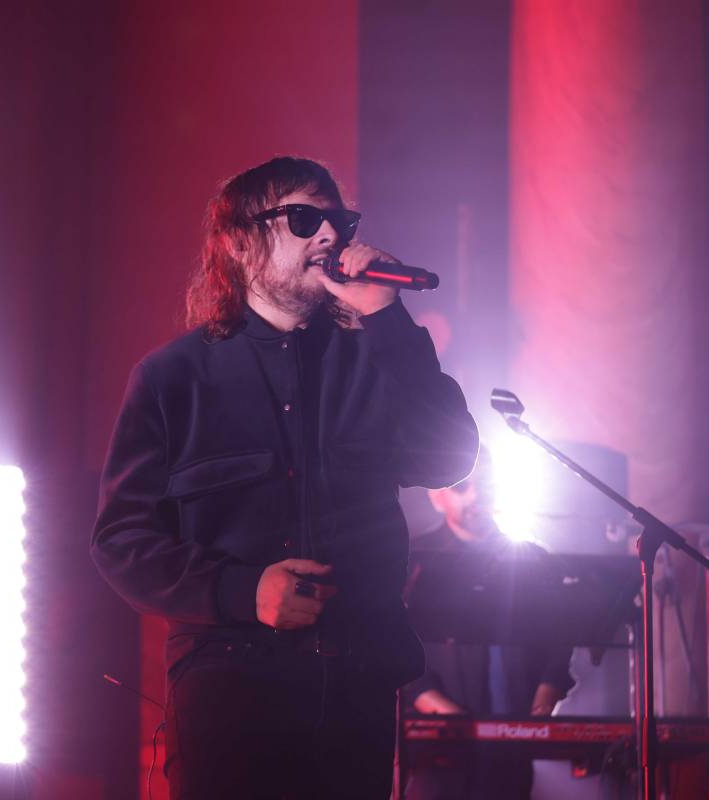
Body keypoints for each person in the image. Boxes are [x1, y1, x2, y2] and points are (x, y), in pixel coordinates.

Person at [90, 156, 479, 799]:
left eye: (339, 221)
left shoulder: (374, 357)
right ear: (240, 243)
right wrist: (244, 592)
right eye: (304, 219)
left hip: (354, 689)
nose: (330, 236)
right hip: (230, 693)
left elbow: (448, 460)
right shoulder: (172, 380)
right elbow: (122, 542)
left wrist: (389, 320)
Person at [403, 449, 574, 800]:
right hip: (439, 752)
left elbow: (561, 636)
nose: (477, 495)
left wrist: (544, 695)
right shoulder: (416, 561)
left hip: (512, 747)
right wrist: (436, 705)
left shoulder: (531, 560)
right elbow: (393, 643)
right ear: (437, 496)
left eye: (486, 484)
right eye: (463, 486)